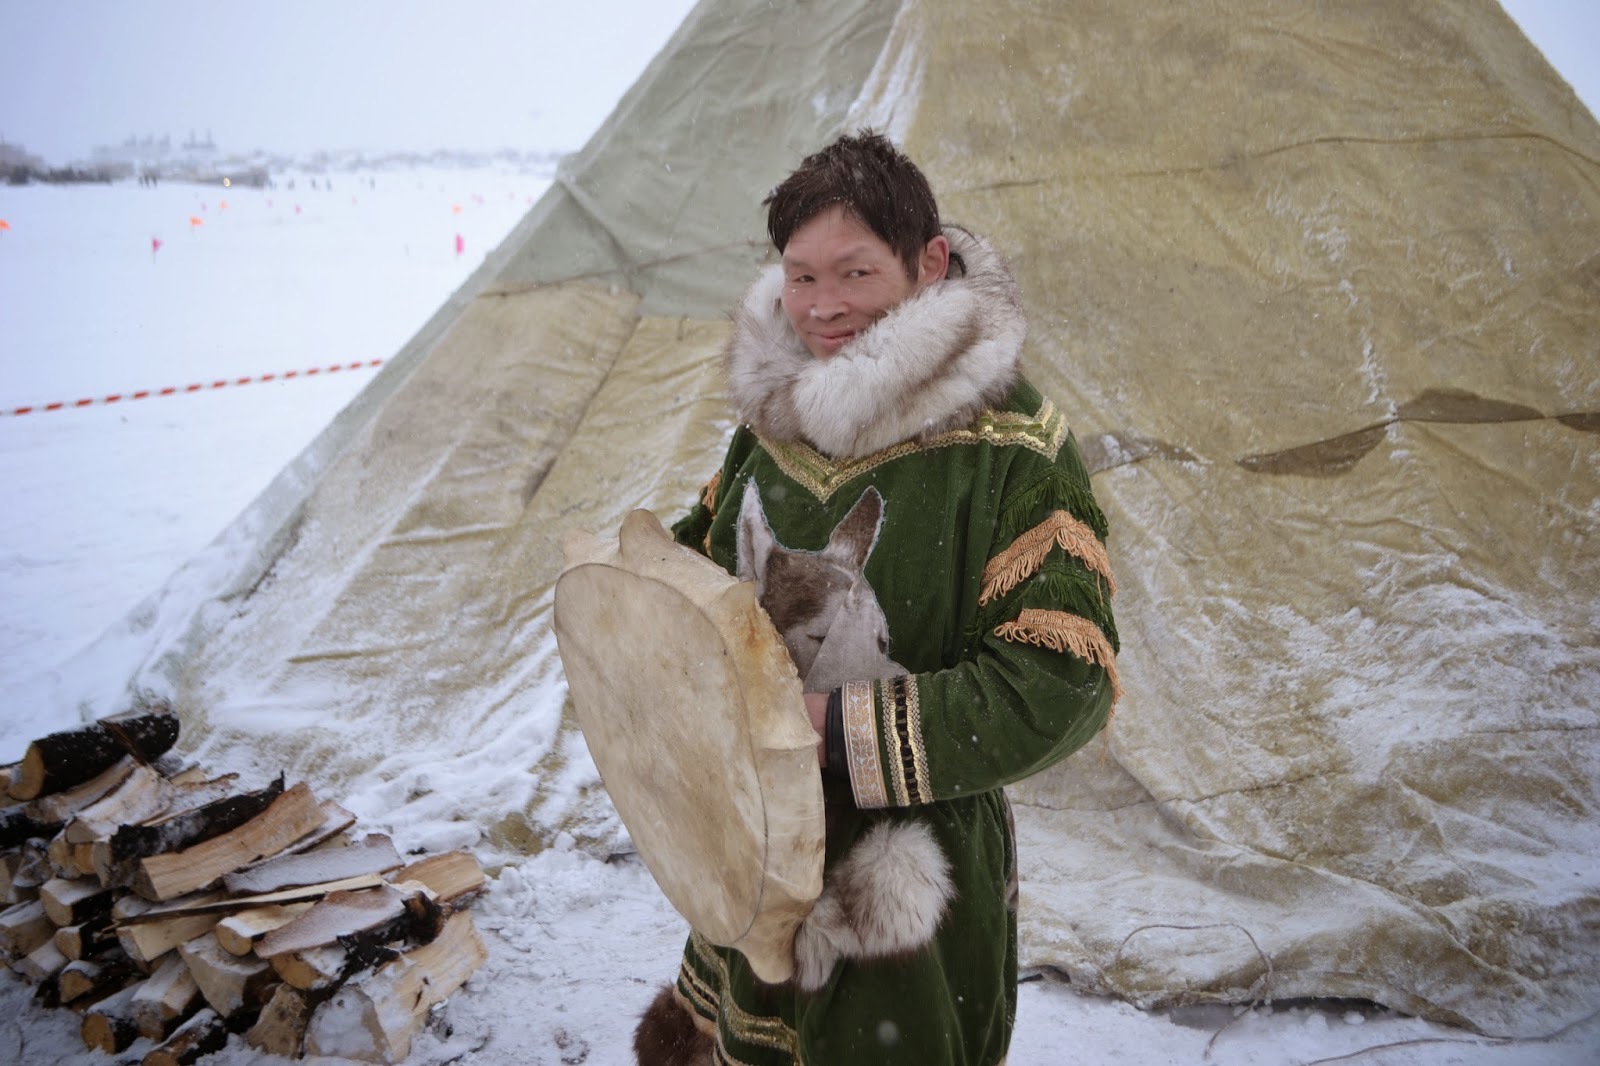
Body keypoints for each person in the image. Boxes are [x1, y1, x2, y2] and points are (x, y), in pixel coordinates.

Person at [635, 131, 1119, 1066]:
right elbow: (707, 595)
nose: (824, 309)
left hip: (909, 885)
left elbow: (1061, 685)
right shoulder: (773, 429)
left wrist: (829, 729)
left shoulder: (1014, 453)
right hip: (758, 847)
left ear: (928, 265)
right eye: (801, 277)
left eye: (855, 273)